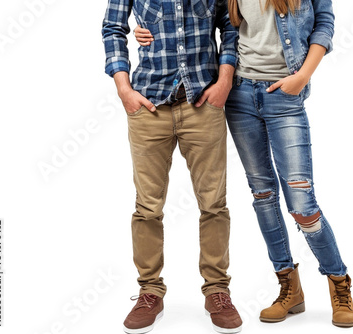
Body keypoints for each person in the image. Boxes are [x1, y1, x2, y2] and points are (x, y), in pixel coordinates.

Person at [134, 0, 353, 328]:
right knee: (263, 196)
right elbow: (213, 24)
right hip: (239, 94)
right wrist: (149, 31)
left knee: (301, 203)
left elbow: (324, 23)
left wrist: (303, 75)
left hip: (284, 94)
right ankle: (288, 288)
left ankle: (339, 283)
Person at [101, 1, 243, 333]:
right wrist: (124, 89)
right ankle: (150, 291)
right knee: (148, 207)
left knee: (214, 204)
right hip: (149, 103)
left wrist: (224, 80)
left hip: (202, 101)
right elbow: (113, 29)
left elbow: (231, 25)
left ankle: (217, 290)